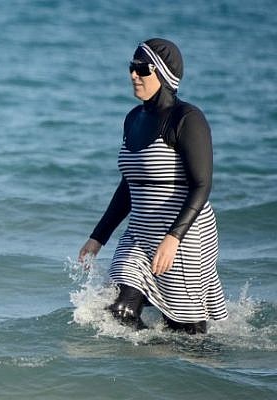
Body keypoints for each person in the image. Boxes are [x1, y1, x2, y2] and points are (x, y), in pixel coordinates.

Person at [78, 38, 228, 334]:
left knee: (187, 335)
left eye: (142, 68)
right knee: (118, 310)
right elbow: (128, 186)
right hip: (139, 233)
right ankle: (139, 369)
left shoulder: (188, 119)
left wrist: (174, 237)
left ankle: (199, 369)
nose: (133, 75)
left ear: (162, 73)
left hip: (184, 236)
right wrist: (99, 237)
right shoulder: (133, 118)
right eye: (131, 68)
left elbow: (202, 185)